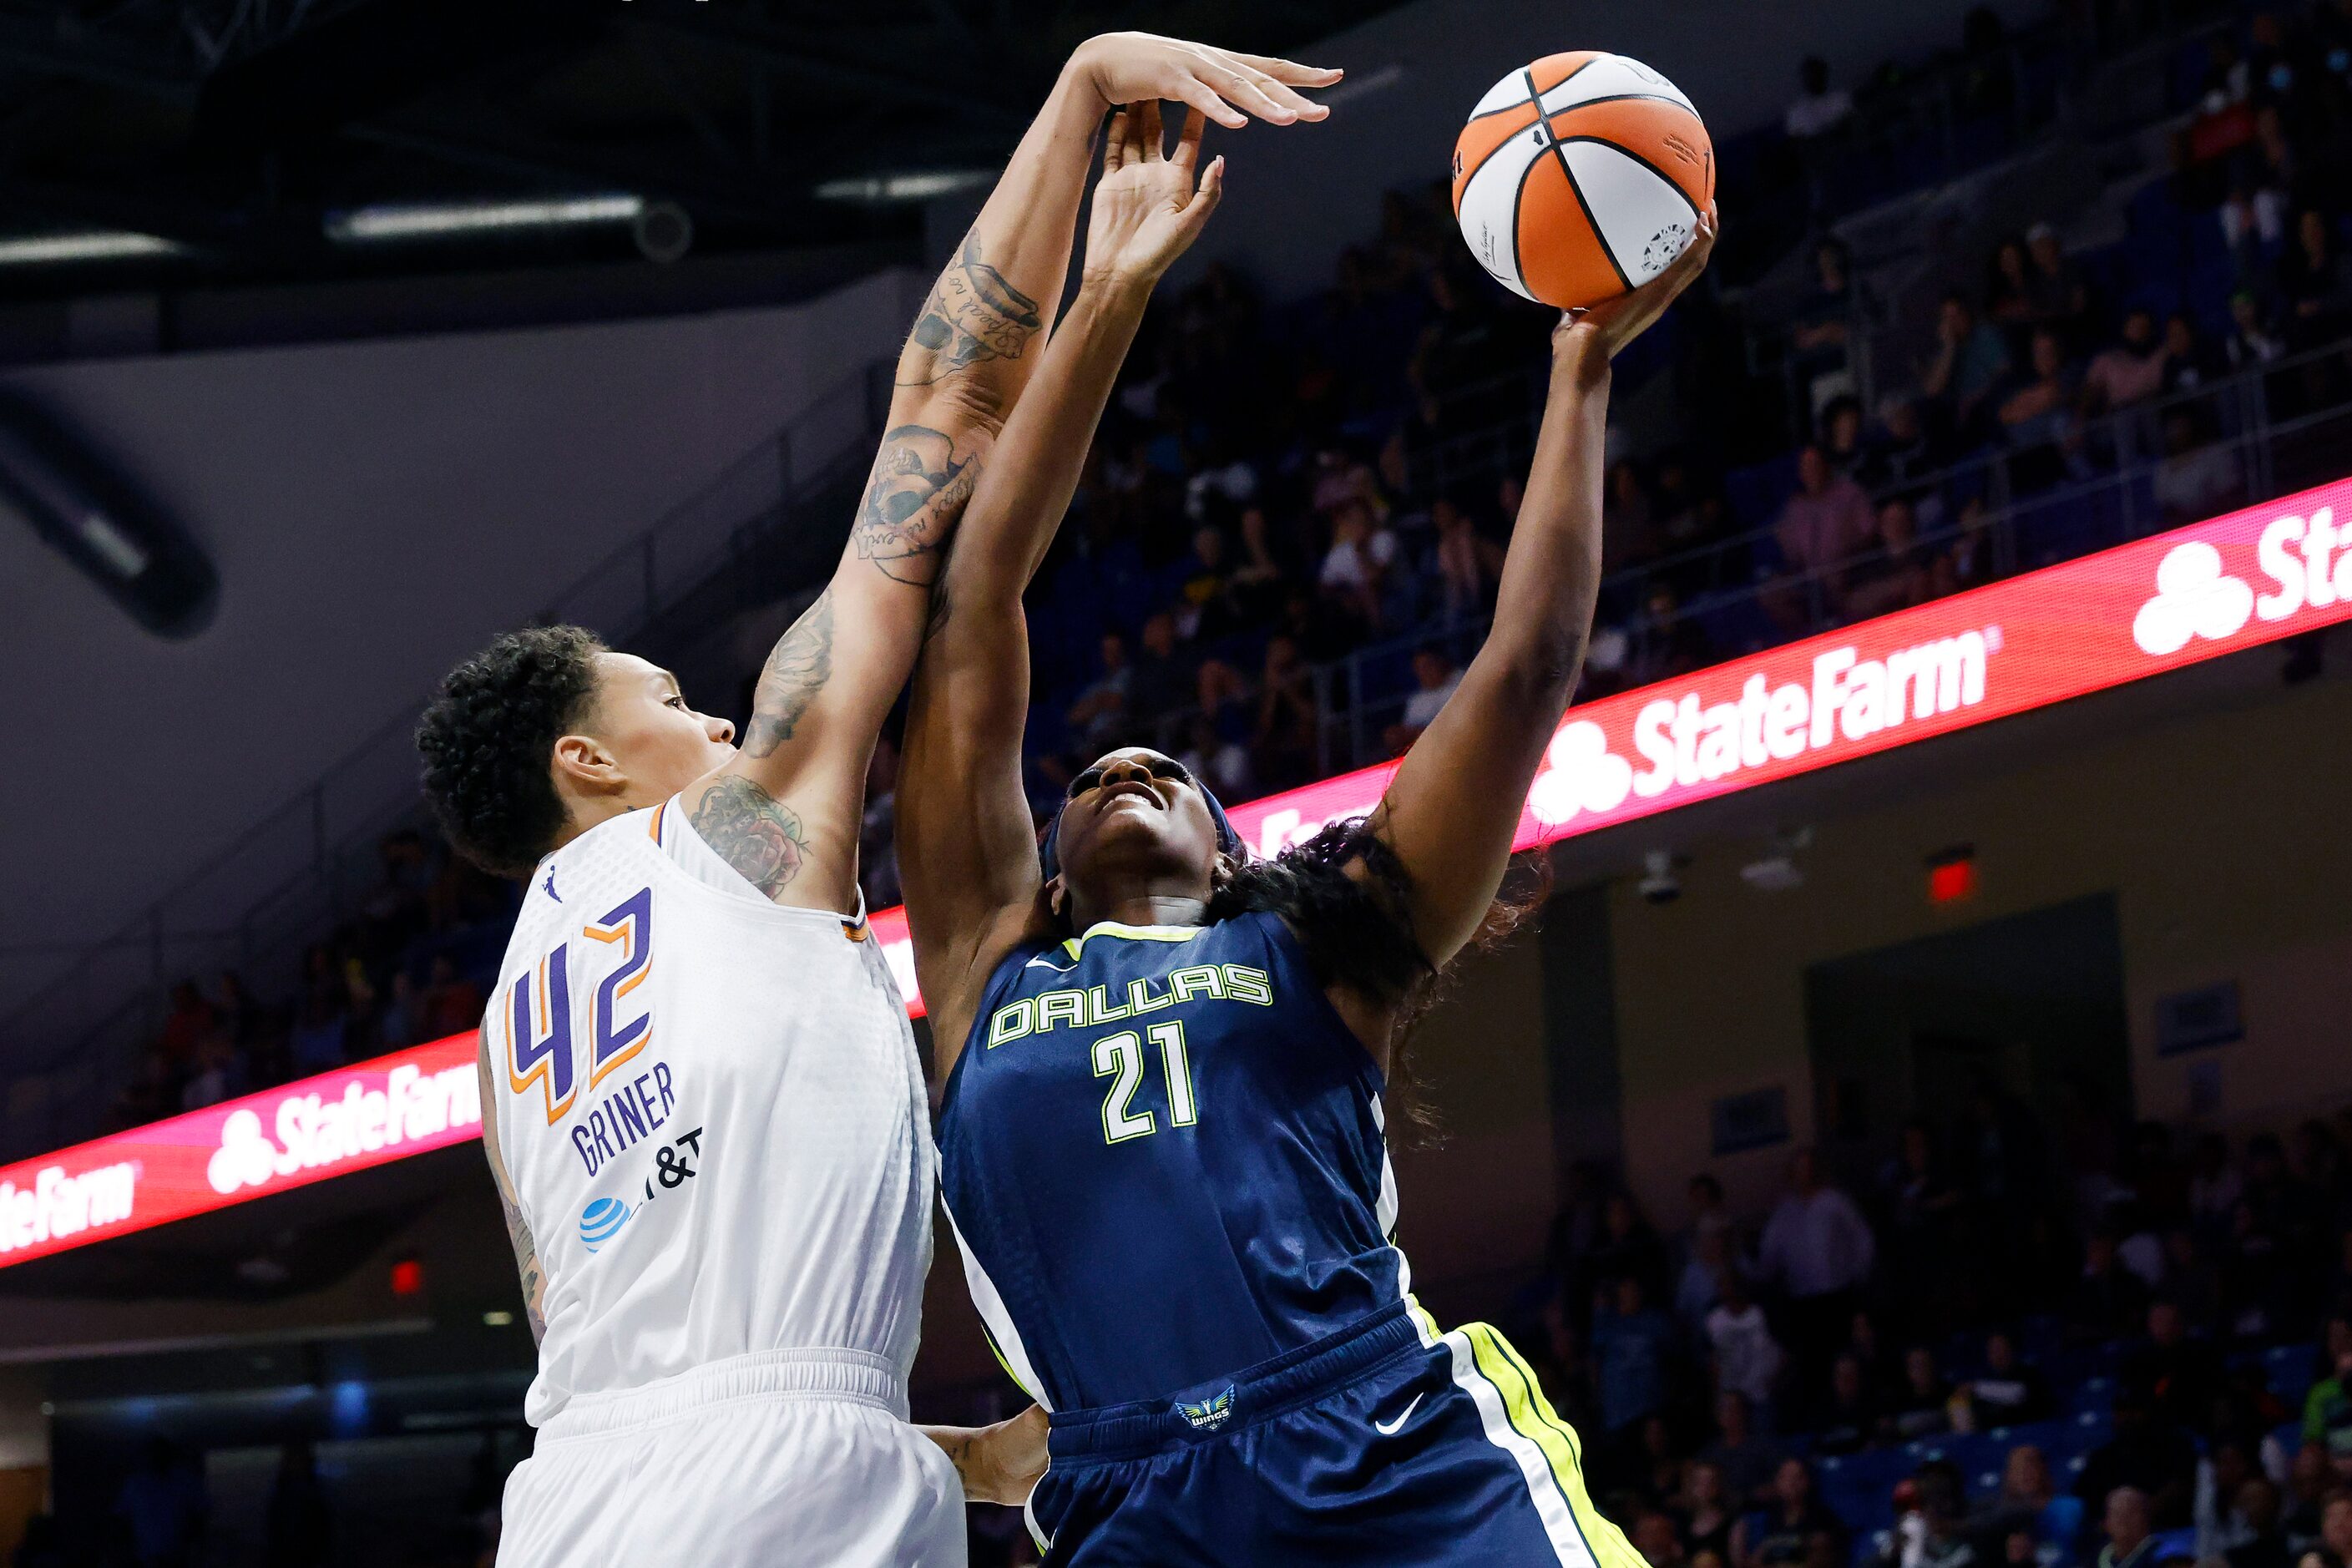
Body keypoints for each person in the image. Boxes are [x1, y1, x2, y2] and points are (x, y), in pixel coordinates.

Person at [413, 37, 1338, 1568]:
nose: (711, 714)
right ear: (584, 759)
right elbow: (942, 401)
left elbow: (627, 1376)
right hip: (772, 1495)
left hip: (570, 1506)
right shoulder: (730, 828)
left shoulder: (512, 1040)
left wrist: (956, 1457)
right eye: (663, 700)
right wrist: (1078, 93)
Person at [895, 96, 1715, 1554]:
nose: (1118, 768)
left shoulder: (1318, 947)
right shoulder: (978, 968)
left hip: (1385, 1440)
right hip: (1127, 1490)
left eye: (1166, 769)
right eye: (1087, 772)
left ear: (1230, 852)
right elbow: (973, 604)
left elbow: (1522, 670)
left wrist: (1579, 375)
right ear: (1046, 861)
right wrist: (1109, 292)